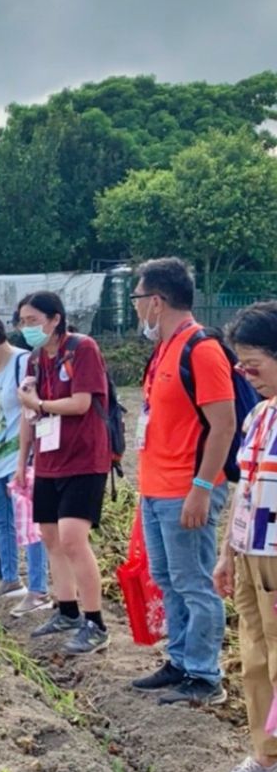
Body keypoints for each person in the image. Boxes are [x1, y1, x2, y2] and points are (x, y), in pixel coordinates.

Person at [131, 257, 234, 704]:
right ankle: (179, 661)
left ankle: (205, 676)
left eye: (137, 298)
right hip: (156, 488)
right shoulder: (164, 348)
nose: (136, 307)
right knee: (169, 579)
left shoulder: (201, 348)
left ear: (157, 301)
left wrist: (203, 487)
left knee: (194, 582)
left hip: (185, 490)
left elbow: (224, 425)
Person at [17, 290, 111, 656]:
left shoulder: (82, 348)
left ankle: (95, 622)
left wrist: (39, 403)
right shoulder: (35, 361)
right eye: (23, 322)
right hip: (48, 460)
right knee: (51, 538)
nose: (27, 328)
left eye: (33, 321)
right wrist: (22, 462)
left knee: (73, 539)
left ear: (55, 319)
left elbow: (82, 402)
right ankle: (67, 609)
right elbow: (28, 416)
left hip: (84, 458)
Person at [213, 303, 277, 772]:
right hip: (253, 553)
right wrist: (228, 553)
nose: (246, 372)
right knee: (255, 656)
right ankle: (266, 754)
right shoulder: (259, 414)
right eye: (241, 363)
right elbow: (244, 488)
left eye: (254, 361)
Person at [0, 310, 51, 613]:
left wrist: (23, 460)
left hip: (18, 456)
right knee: (0, 520)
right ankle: (11, 578)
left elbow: (29, 411)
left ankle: (39, 587)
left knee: (29, 523)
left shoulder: (22, 362)